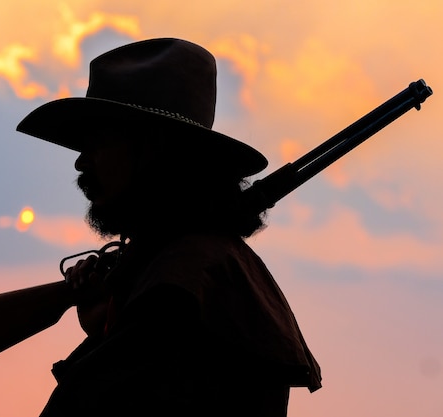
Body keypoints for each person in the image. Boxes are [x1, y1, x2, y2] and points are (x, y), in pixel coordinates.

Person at [17, 38, 321, 417]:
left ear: (155, 149)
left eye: (98, 142)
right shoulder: (183, 263)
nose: (81, 162)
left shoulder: (179, 279)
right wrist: (110, 315)